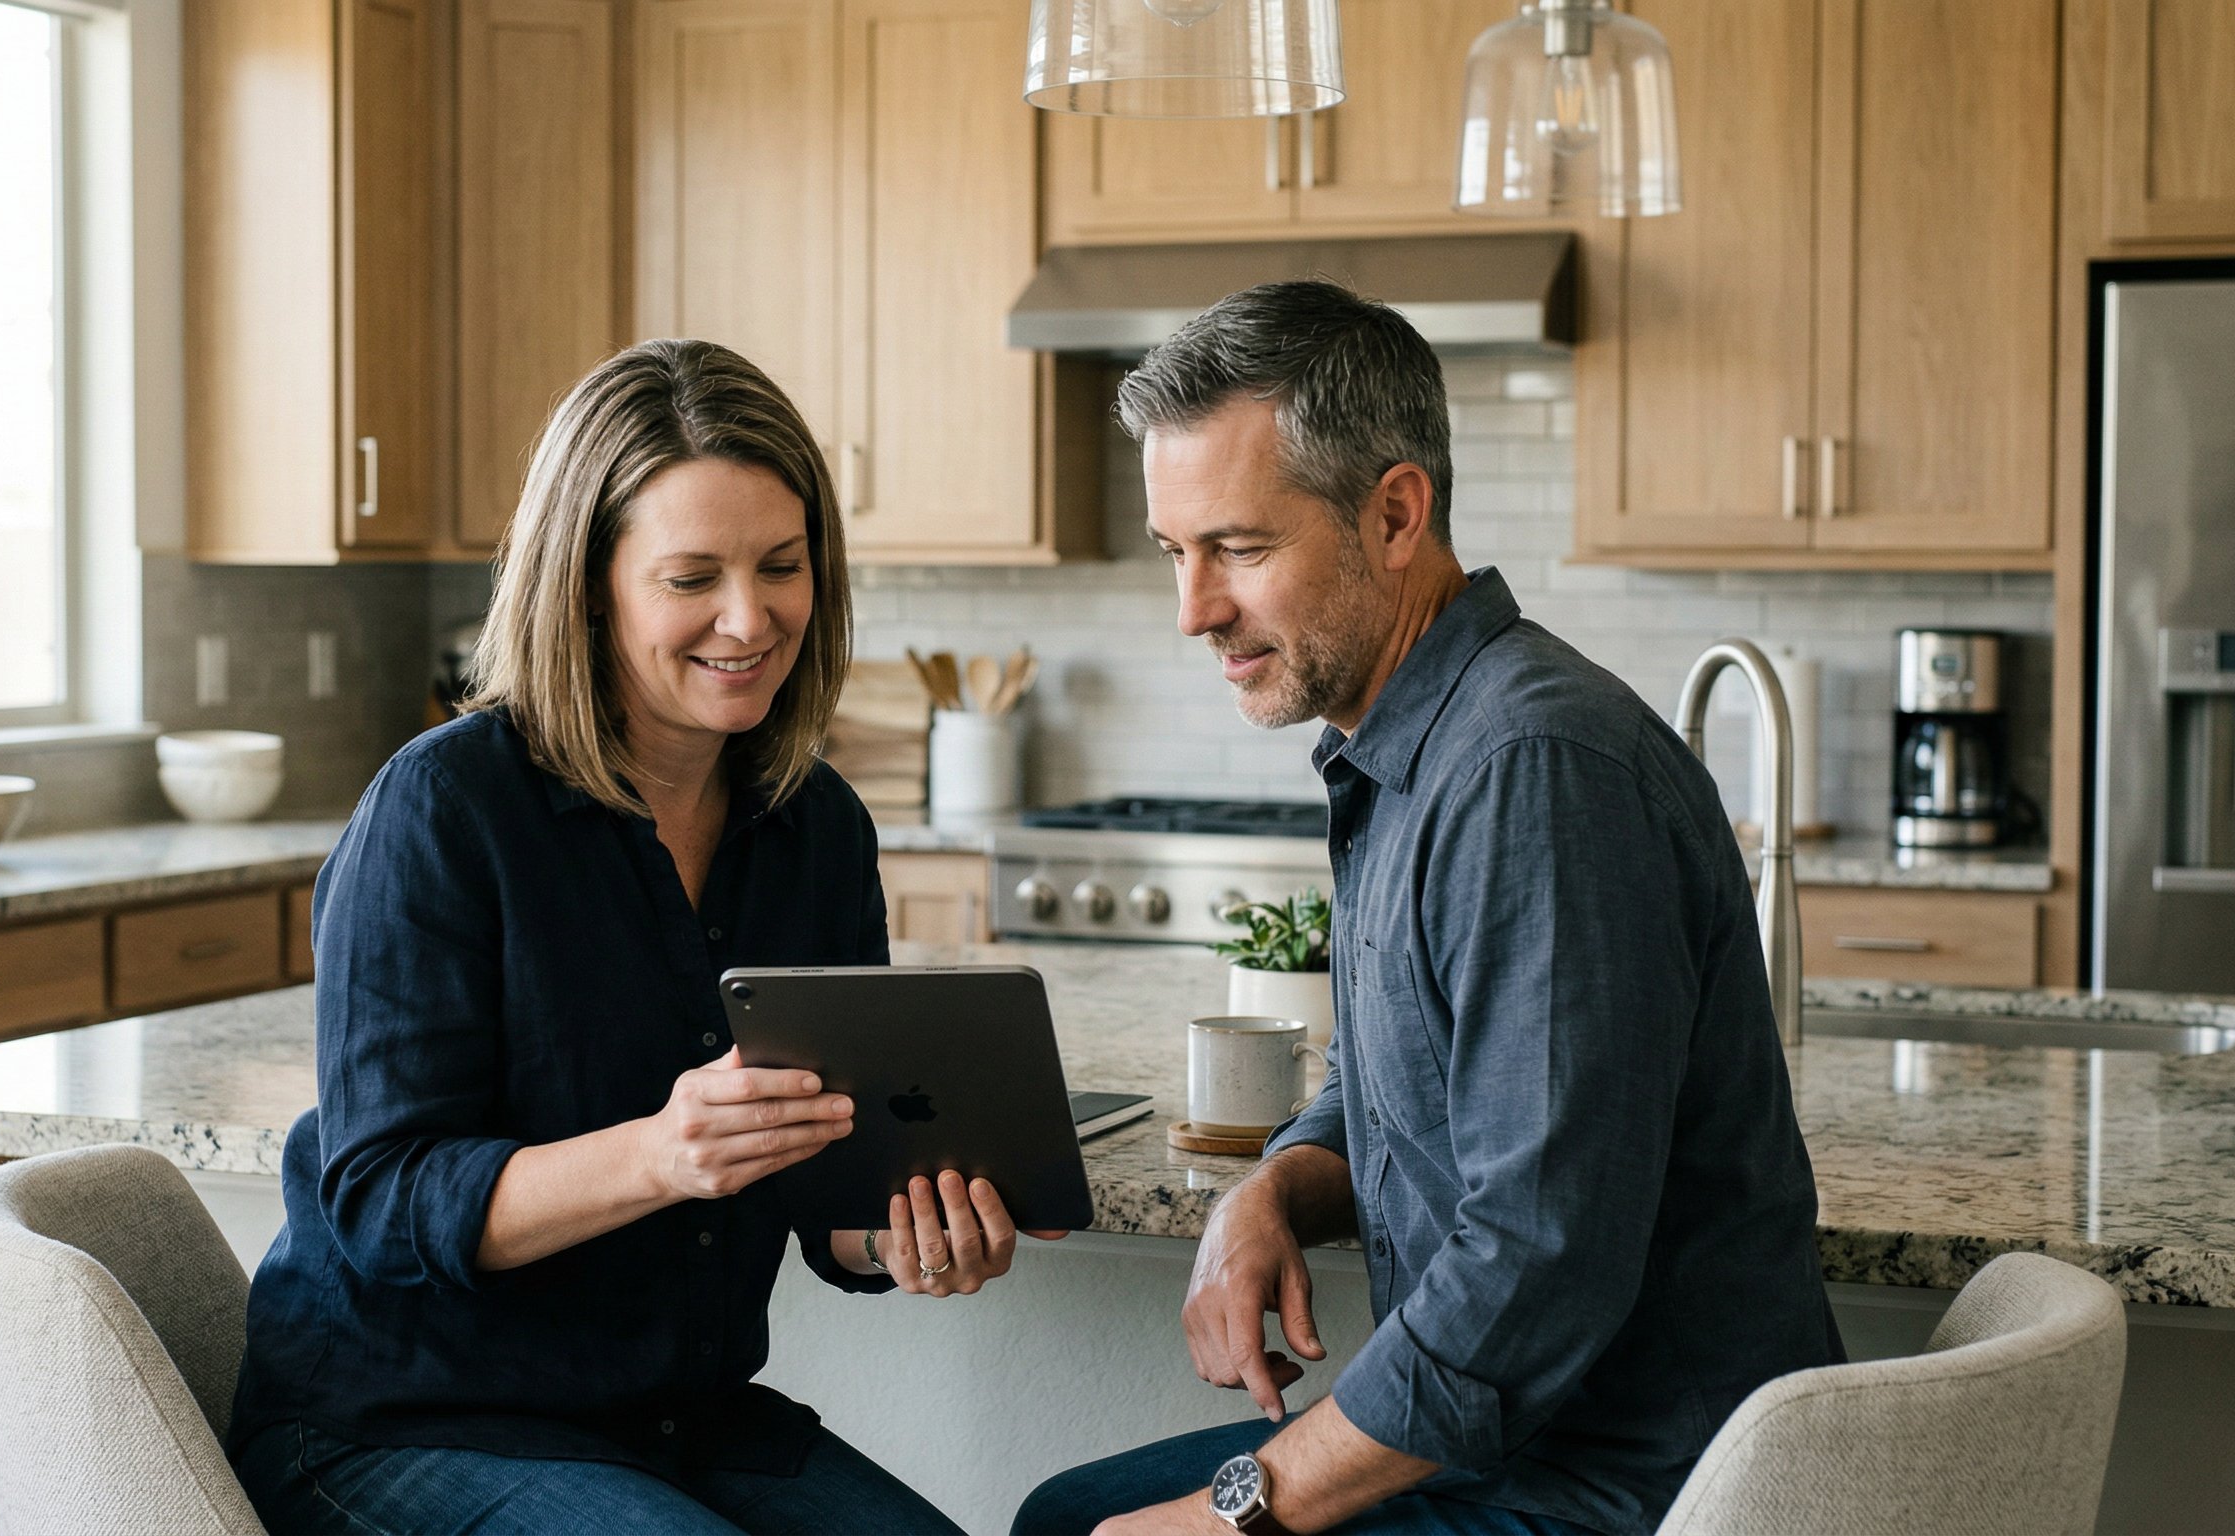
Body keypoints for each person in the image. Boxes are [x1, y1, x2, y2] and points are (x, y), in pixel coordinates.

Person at [1014, 282, 1841, 1536]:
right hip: (1520, 1455)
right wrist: (1273, 1191)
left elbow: (1536, 1262)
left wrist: (1233, 1511)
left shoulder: (1532, 773)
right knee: (1061, 1516)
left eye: (1237, 548)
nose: (1193, 609)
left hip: (1632, 1493)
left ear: (1394, 513)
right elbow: (1400, 1082)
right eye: (1173, 554)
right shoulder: (1413, 747)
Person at [228, 339, 1052, 1535]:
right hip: (398, 1423)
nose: (748, 616)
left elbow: (833, 1188)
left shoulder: (815, 826)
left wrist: (901, 1239)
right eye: (690, 578)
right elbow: (381, 1202)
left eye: (781, 565)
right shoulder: (444, 811)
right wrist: (660, 1153)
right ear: (589, 582)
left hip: (676, 1423)